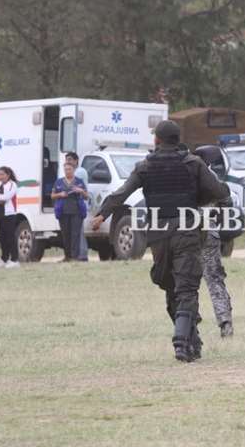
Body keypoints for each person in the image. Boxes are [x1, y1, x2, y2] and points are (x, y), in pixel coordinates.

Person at [91, 120, 230, 362]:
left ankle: (190, 342)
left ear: (157, 140)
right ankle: (181, 340)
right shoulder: (193, 164)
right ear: (178, 139)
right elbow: (219, 191)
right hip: (187, 232)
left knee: (170, 284)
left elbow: (121, 193)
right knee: (186, 287)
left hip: (158, 235)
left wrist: (103, 213)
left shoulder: (145, 166)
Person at [193, 145, 235, 338]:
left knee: (186, 279)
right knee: (214, 279)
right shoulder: (213, 178)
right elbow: (227, 202)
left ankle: (189, 320)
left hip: (187, 232)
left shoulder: (187, 174)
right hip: (209, 231)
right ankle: (225, 321)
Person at [51, 161, 88, 262]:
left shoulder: (79, 181)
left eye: (69, 169)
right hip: (63, 211)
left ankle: (74, 256)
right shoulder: (59, 182)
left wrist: (80, 191)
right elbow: (52, 195)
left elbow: (86, 196)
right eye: (66, 169)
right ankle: (67, 256)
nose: (67, 171)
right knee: (65, 234)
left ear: (74, 170)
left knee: (75, 234)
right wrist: (60, 195)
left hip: (76, 211)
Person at [0, 166, 20, 269]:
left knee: (10, 237)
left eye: (2, 174)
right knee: (2, 237)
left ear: (8, 175)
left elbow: (6, 198)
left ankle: (15, 259)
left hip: (9, 214)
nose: (0, 176)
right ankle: (4, 259)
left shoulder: (12, 184)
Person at [66, 152, 90, 261]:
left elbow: (70, 186)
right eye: (66, 160)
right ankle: (76, 254)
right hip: (73, 206)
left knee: (78, 232)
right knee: (76, 231)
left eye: (70, 160)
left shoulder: (80, 171)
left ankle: (82, 255)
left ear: (76, 161)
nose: (68, 162)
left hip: (79, 206)